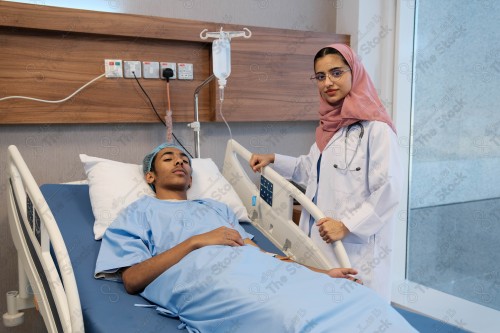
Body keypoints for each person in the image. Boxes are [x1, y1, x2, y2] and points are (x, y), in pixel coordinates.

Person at [95, 142, 415, 332]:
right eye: (169, 158)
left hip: (255, 269)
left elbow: (257, 253)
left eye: (185, 160)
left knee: (361, 300)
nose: (180, 161)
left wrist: (323, 273)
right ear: (150, 176)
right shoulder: (138, 212)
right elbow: (133, 278)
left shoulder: (216, 207)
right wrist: (197, 241)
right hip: (208, 279)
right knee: (291, 318)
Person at [250, 43, 402, 301]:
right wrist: (273, 158)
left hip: (355, 248)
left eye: (336, 73)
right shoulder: (329, 128)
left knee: (359, 317)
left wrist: (347, 226)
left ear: (355, 73)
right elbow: (310, 170)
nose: (328, 82)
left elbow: (389, 189)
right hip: (320, 243)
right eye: (320, 77)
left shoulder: (377, 130)